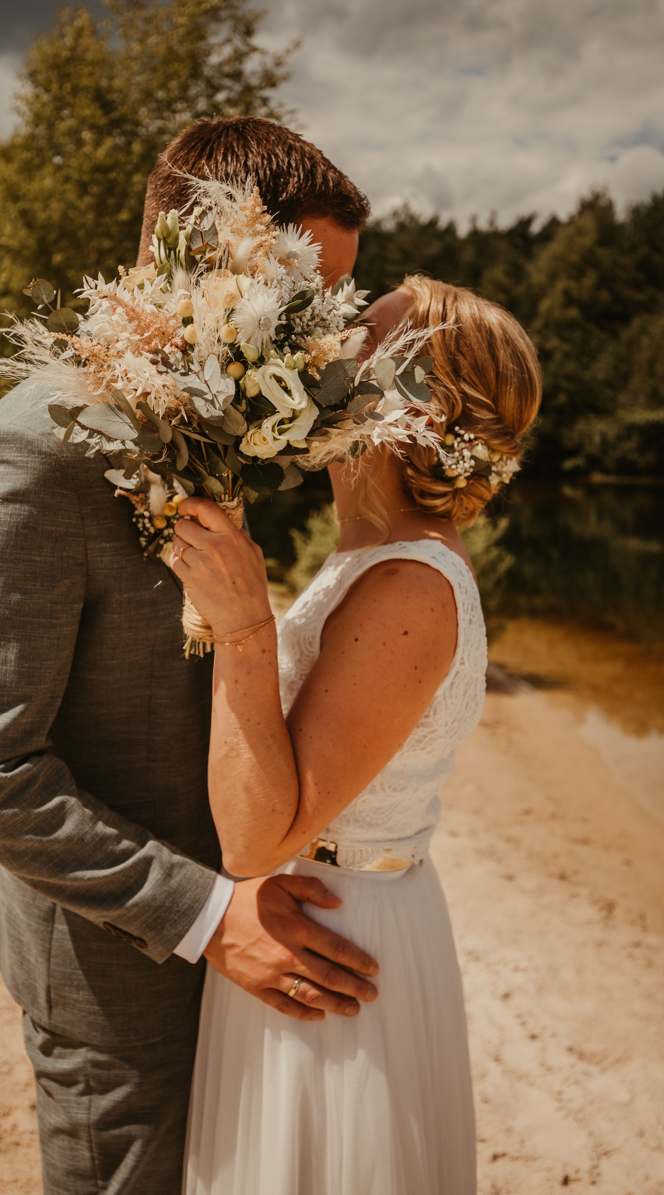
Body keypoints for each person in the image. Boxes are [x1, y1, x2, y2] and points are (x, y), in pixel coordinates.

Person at [0, 118, 380, 1195]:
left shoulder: (217, 422)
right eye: (304, 294)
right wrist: (208, 915)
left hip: (230, 928)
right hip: (115, 958)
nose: (316, 331)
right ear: (207, 262)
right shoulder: (29, 454)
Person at [172, 275, 543, 1195]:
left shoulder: (411, 585)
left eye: (360, 331)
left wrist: (244, 626)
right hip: (311, 916)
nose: (327, 337)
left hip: (334, 938)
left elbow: (260, 837)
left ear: (415, 399)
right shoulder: (368, 557)